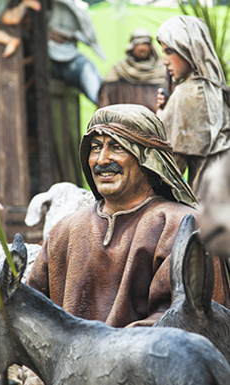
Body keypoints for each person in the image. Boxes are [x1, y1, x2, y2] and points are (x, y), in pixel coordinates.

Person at [27, 104, 230, 327]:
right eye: (95, 148)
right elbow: (31, 313)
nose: (102, 160)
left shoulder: (182, 225)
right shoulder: (65, 230)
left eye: (116, 147)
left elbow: (190, 322)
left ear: (148, 159)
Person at [156, 15, 230, 189]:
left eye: (169, 51)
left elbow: (171, 169)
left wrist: (160, 117)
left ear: (189, 49)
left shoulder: (186, 94)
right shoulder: (219, 90)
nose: (165, 62)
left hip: (205, 201)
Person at [98, 28, 167, 111]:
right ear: (132, 47)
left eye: (145, 44)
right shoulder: (120, 71)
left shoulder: (162, 70)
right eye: (138, 44)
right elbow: (104, 102)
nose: (141, 48)